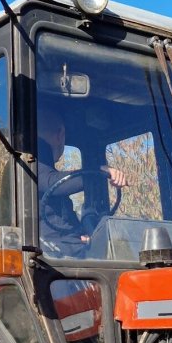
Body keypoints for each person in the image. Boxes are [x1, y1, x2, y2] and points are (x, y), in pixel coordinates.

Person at [37, 107, 129, 259]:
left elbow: (61, 215)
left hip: (62, 243)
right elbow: (51, 183)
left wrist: (80, 233)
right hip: (49, 250)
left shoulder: (41, 170)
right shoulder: (32, 163)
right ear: (61, 134)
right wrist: (98, 172)